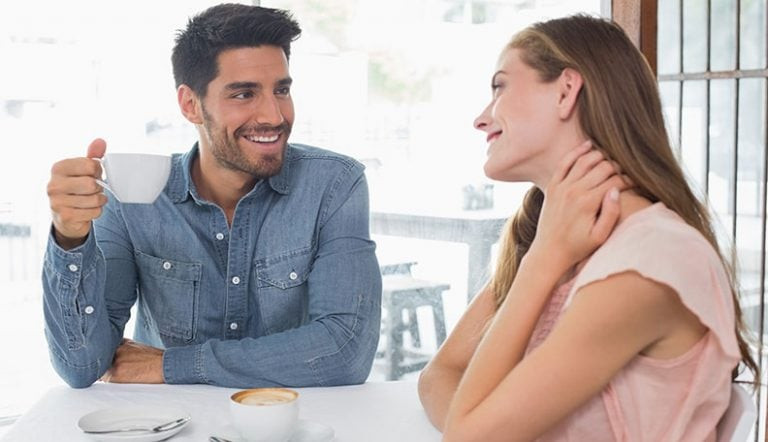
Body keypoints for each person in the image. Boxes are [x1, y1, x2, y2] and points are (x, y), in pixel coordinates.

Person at [418, 14, 757, 441]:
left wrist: (543, 260)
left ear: (565, 92)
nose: (481, 119)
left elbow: (468, 436)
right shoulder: (558, 236)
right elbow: (439, 376)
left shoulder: (649, 261)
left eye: (500, 87)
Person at [43, 3, 381, 389]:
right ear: (191, 105)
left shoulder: (334, 185)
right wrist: (69, 236)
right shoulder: (131, 197)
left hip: (288, 417)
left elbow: (347, 353)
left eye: (281, 90)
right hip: (168, 420)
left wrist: (171, 366)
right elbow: (82, 366)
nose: (274, 116)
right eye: (244, 94)